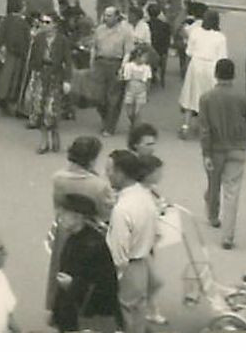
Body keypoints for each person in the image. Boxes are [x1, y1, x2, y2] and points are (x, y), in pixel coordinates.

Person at [46, 136, 115, 319]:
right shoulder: (99, 185)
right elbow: (105, 212)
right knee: (86, 273)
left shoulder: (58, 178)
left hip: (63, 227)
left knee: (62, 268)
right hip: (89, 230)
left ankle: (56, 307)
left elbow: (57, 205)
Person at [195, 59, 246, 249]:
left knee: (214, 184)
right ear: (233, 75)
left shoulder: (206, 98)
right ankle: (228, 236)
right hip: (237, 148)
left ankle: (213, 216)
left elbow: (204, 129)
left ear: (215, 74)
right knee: (232, 191)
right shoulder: (243, 97)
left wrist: (205, 153)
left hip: (215, 149)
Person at [106, 150, 162, 332]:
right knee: (139, 315)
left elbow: (119, 252)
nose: (108, 175)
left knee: (126, 318)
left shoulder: (122, 209)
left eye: (110, 170)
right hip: (143, 263)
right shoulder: (146, 197)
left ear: (121, 173)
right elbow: (156, 233)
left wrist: (115, 276)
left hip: (128, 268)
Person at [51, 192, 122, 332]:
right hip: (73, 313)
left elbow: (105, 285)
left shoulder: (93, 245)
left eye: (64, 213)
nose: (59, 217)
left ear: (78, 217)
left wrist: (73, 285)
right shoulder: (74, 238)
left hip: (86, 318)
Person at [23, 15, 71, 153]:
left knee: (51, 109)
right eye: (42, 22)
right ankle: (44, 141)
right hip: (40, 75)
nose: (44, 24)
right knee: (39, 108)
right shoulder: (38, 38)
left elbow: (68, 62)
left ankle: (55, 133)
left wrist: (67, 80)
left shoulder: (62, 40)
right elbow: (32, 59)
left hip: (55, 76)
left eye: (47, 22)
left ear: (55, 24)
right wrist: (33, 75)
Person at [177, 10, 228, 138]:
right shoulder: (220, 37)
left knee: (191, 95)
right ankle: (205, 128)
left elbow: (189, 52)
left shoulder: (195, 32)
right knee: (208, 97)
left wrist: (185, 69)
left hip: (195, 65)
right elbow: (222, 58)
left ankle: (186, 126)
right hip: (211, 67)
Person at [88, 6, 135, 134]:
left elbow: (128, 51)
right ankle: (105, 117)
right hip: (100, 63)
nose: (106, 18)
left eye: (109, 15)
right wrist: (91, 63)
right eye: (105, 15)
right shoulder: (99, 30)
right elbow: (93, 47)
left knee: (114, 97)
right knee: (97, 96)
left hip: (116, 63)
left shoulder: (125, 31)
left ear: (116, 17)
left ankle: (110, 126)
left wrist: (123, 67)